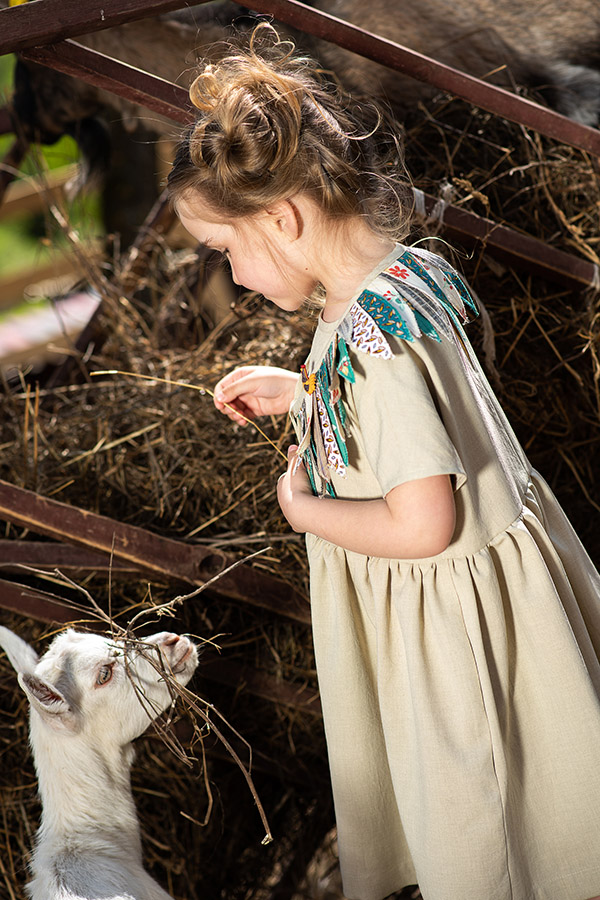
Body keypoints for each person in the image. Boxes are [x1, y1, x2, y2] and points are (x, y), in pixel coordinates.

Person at [167, 25, 600, 900]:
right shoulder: (406, 279)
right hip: (499, 597)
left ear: (283, 217)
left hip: (452, 640)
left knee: (487, 821)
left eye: (226, 251)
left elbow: (424, 519)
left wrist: (306, 511)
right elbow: (422, 398)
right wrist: (307, 390)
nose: (235, 276)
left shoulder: (368, 345)